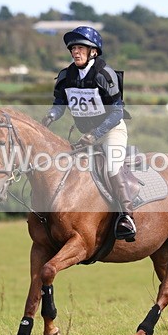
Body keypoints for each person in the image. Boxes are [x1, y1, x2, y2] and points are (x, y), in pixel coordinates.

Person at [41, 26, 136, 240]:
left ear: (93, 51)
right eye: (73, 48)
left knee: (112, 165)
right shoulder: (66, 76)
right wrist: (50, 117)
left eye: (81, 48)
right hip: (86, 135)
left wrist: (96, 134)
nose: (75, 52)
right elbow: (59, 104)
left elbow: (117, 112)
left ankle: (127, 216)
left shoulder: (104, 75)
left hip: (111, 129)